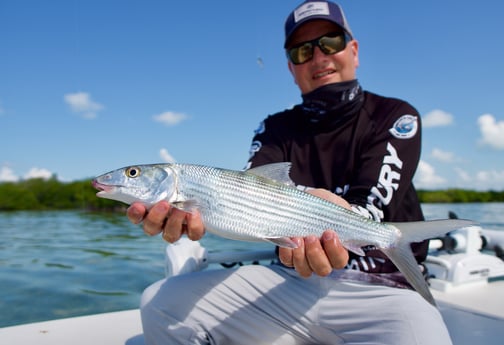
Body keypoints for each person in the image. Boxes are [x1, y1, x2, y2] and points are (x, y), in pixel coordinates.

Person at [127, 1, 452, 344]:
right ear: (290, 68)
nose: (318, 57)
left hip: (383, 287)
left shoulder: (395, 115)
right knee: (160, 304)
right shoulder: (275, 128)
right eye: (302, 52)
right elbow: (249, 186)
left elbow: (373, 204)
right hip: (290, 281)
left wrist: (345, 221)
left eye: (330, 42)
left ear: (353, 51)